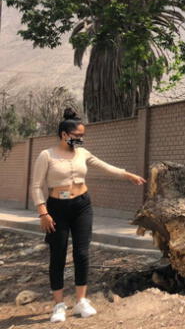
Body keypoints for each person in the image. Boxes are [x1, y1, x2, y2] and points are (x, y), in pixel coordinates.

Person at [31, 108, 146, 322]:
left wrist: (126, 174)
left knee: (82, 254)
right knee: (58, 255)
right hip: (56, 209)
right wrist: (42, 212)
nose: (81, 140)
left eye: (82, 136)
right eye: (77, 136)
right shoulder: (46, 156)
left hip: (82, 205)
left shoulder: (82, 154)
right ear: (64, 135)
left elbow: (104, 167)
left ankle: (81, 301)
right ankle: (58, 305)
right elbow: (36, 186)